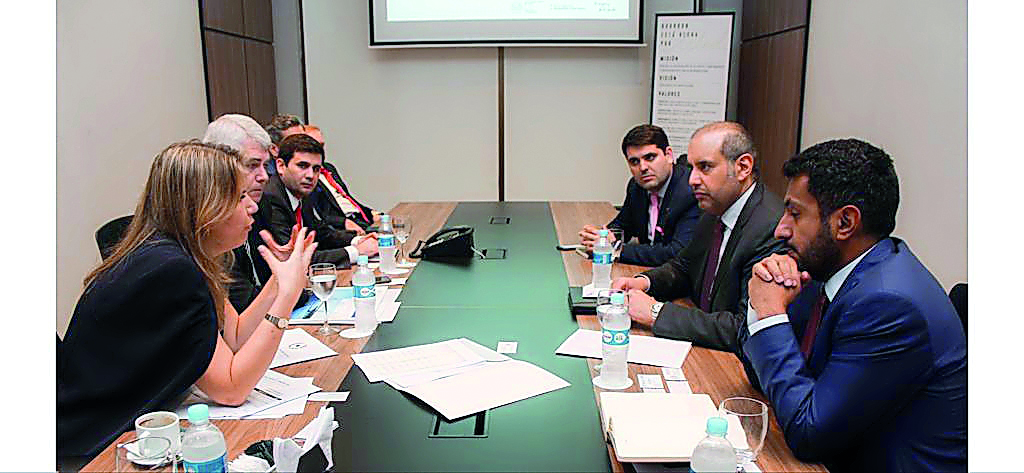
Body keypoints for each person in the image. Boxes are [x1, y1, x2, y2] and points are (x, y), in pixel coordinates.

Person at [57, 141, 316, 464]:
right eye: (239, 197)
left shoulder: (178, 254)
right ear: (206, 208)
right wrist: (287, 298)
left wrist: (279, 281)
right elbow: (231, 389)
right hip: (93, 448)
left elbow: (233, 336)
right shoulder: (171, 271)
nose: (252, 207)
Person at [743, 139, 966, 471]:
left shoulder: (890, 304)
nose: (780, 229)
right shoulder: (830, 271)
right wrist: (766, 307)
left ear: (844, 223)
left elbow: (808, 433)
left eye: (795, 213)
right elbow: (763, 377)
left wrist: (770, 316)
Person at [611, 122, 784, 354]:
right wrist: (644, 282)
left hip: (733, 365)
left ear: (743, 167)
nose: (692, 179)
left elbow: (743, 328)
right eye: (692, 167)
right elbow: (684, 266)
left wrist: (656, 313)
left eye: (705, 167)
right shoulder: (716, 207)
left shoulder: (771, 228)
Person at [579, 124, 701, 266]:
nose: (642, 168)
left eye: (650, 157)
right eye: (634, 161)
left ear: (668, 155)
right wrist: (601, 238)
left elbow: (676, 252)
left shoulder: (690, 192)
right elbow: (623, 225)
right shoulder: (637, 186)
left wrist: (616, 248)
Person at [260, 133, 378, 268]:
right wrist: (357, 252)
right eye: (302, 166)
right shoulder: (271, 199)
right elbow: (296, 259)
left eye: (316, 169)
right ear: (281, 166)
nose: (310, 175)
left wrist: (358, 240)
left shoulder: (303, 192)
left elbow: (322, 234)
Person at [202, 114, 275, 311]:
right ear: (220, 164)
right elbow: (243, 302)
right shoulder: (209, 224)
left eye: (265, 165)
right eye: (252, 165)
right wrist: (287, 285)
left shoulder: (260, 205)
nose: (264, 177)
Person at [290, 124, 380, 232]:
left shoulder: (329, 168)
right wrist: (343, 222)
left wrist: (370, 213)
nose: (320, 150)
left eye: (322, 145)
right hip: (341, 226)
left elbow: (348, 198)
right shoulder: (306, 178)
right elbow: (317, 215)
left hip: (358, 218)